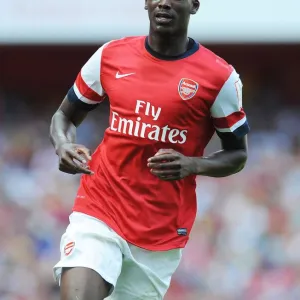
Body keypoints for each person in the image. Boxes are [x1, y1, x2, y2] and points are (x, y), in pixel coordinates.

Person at [50, 0, 250, 299]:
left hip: (160, 229)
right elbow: (64, 116)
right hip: (100, 207)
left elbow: (238, 155)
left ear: (194, 5)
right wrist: (63, 144)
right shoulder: (111, 56)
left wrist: (193, 164)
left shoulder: (219, 77)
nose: (164, 2)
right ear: (146, 3)